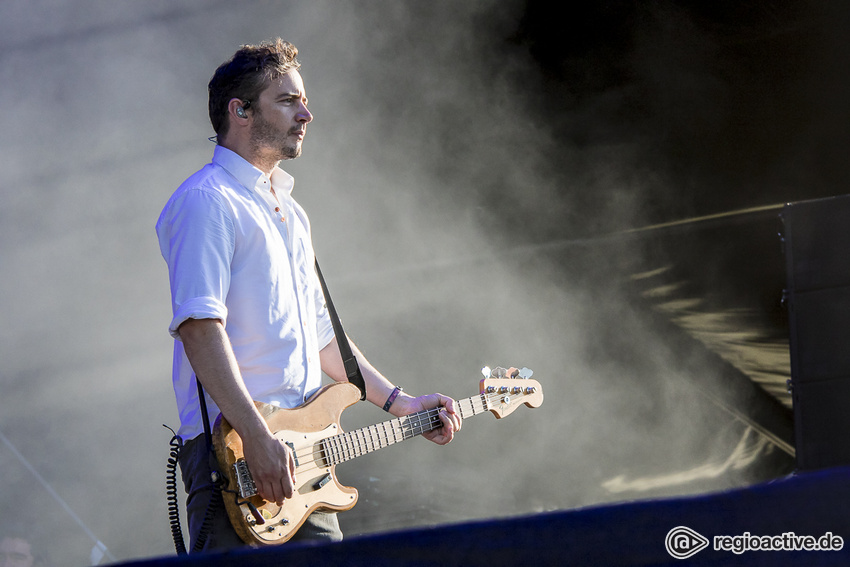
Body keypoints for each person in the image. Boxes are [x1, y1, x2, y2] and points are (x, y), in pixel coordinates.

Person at [155, 38, 462, 551]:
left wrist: (400, 403)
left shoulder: (292, 215)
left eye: (304, 100)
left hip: (303, 461)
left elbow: (323, 338)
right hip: (238, 457)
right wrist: (256, 436)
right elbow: (199, 328)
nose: (307, 113)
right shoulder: (206, 202)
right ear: (241, 111)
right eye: (289, 100)